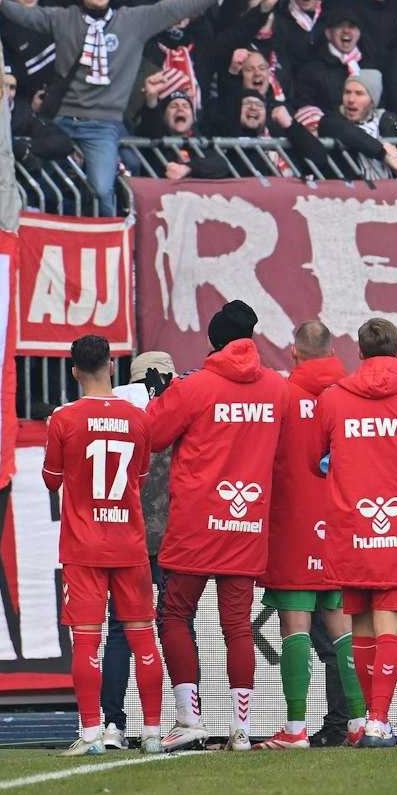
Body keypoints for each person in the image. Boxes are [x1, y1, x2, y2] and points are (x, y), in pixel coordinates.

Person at [0, 0, 267, 215]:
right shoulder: (63, 18)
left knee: (102, 189)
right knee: (39, 183)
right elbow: (27, 16)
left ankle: (107, 245)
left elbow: (184, 6)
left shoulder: (134, 21)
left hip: (102, 126)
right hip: (59, 122)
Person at [145, 300, 293, 751]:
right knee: (238, 628)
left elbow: (151, 436)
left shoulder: (194, 387)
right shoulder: (277, 388)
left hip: (195, 523)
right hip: (246, 523)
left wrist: (159, 397)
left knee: (174, 616)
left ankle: (190, 721)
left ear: (213, 339)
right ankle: (242, 731)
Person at [310, 317, 397, 749]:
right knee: (387, 626)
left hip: (350, 530)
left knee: (362, 625)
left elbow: (315, 459)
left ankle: (369, 720)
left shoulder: (332, 400)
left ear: (360, 354)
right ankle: (379, 721)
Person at [45, 335, 163, 757]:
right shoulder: (139, 418)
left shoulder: (64, 419)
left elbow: (51, 480)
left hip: (84, 547)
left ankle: (93, 734)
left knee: (88, 642)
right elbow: (140, 479)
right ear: (111, 367)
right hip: (129, 545)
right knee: (144, 639)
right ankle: (151, 733)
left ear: (75, 371)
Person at [254, 321, 361, 750]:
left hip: (292, 523)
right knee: (342, 626)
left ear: (293, 353)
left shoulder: (281, 395)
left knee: (294, 626)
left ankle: (295, 730)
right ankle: (358, 722)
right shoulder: (353, 395)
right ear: (334, 351)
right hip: (341, 523)